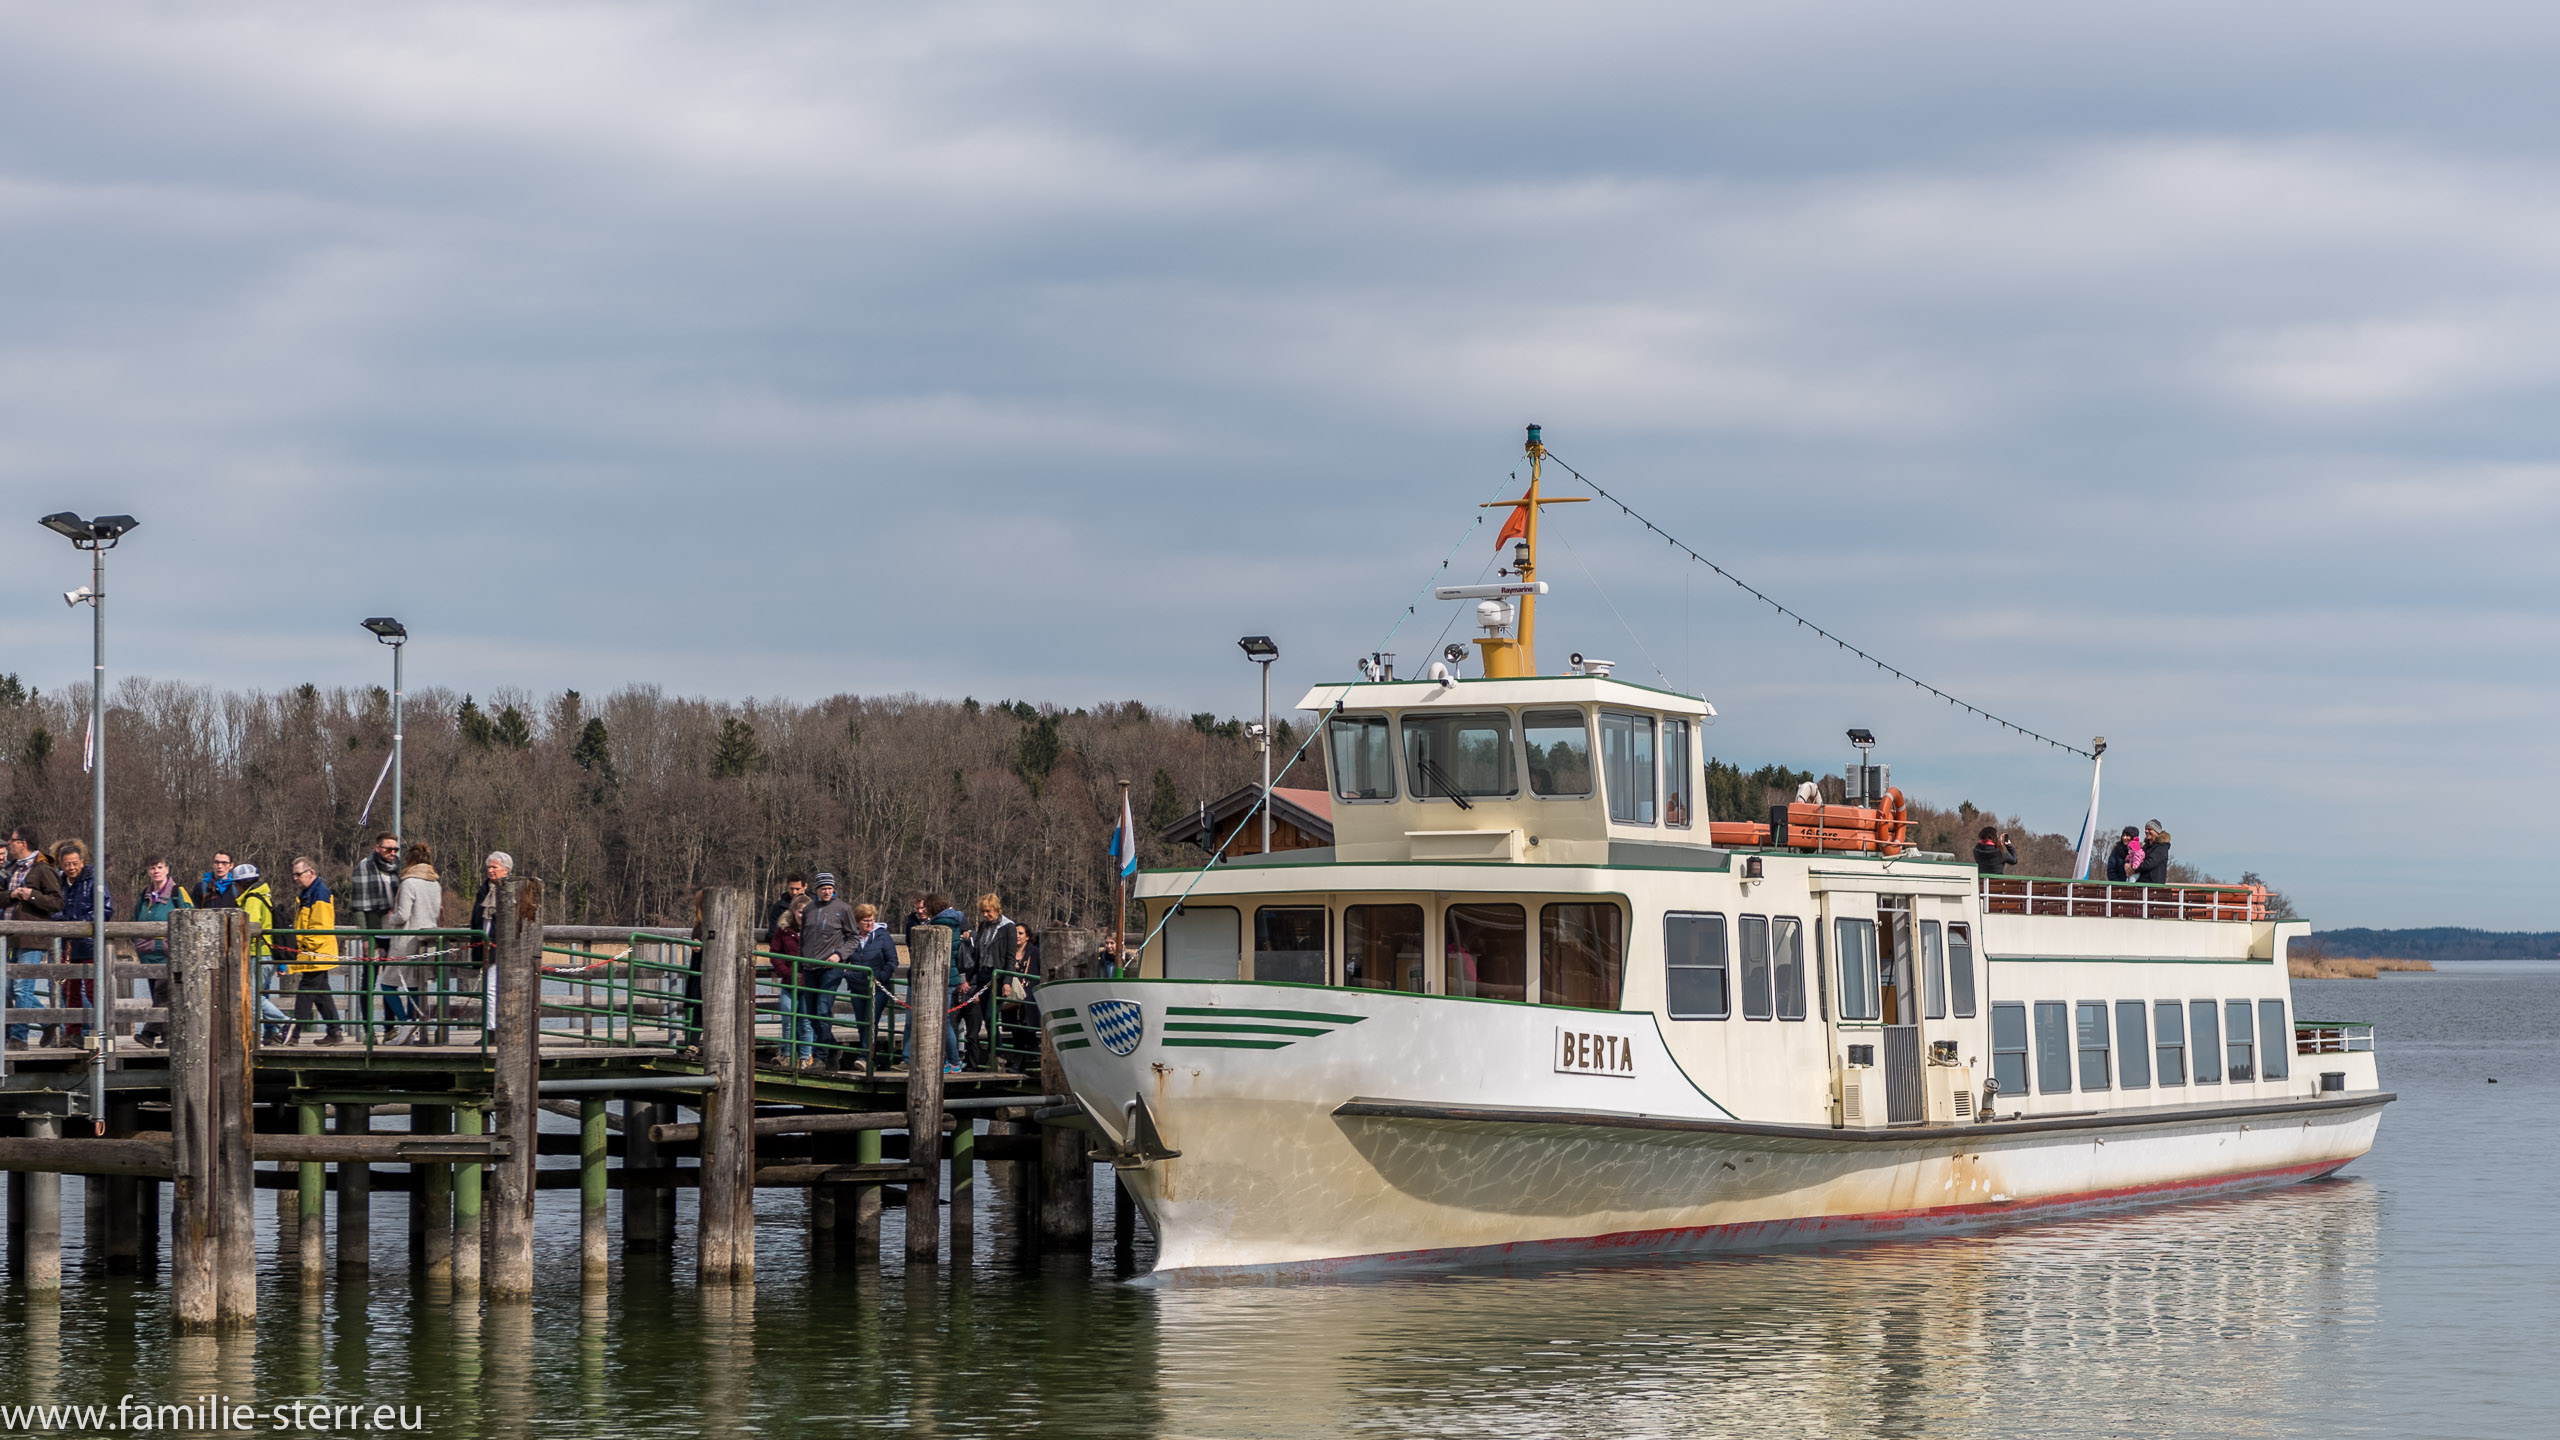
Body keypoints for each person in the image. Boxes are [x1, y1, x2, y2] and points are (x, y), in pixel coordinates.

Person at [4, 827, 63, 1048]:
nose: (10, 843)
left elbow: (57, 902)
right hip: (12, 937)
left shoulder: (43, 869)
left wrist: (32, 895)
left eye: (13, 840)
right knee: (10, 988)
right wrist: (11, 894)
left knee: (22, 988)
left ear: (24, 843)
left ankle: (19, 1037)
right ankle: (48, 1020)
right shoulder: (12, 869)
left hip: (33, 938)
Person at [794, 874, 858, 1069]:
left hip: (831, 968)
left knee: (823, 1010)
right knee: (811, 1013)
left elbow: (853, 938)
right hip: (810, 967)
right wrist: (800, 966)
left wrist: (840, 954)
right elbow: (803, 939)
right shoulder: (810, 910)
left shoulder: (843, 909)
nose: (827, 891)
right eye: (823, 888)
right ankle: (832, 1047)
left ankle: (820, 1057)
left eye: (830, 888)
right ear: (817, 889)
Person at [386, 841, 443, 1044]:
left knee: (387, 984)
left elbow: (403, 915)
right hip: (428, 940)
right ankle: (411, 1027)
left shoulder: (409, 882)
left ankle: (405, 1024)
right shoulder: (435, 883)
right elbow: (437, 912)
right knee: (415, 985)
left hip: (407, 940)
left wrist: (389, 918)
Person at [227, 863, 292, 1044]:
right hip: (267, 953)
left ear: (240, 884)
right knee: (257, 995)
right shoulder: (263, 895)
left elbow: (251, 926)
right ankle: (270, 1031)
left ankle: (266, 1031)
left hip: (258, 953)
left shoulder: (253, 900)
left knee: (251, 996)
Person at [281, 857, 343, 1044]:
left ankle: (292, 1033)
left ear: (311, 873)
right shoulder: (310, 893)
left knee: (306, 991)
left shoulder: (319, 894)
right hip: (315, 951)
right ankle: (334, 1031)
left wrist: (302, 946)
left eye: (298, 874)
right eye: (294, 874)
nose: (295, 878)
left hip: (317, 952)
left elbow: (319, 927)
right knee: (321, 992)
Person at [132, 856, 192, 1046]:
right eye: (152, 868)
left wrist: (175, 944)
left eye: (159, 867)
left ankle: (149, 1033)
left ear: (167, 870)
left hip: (168, 953)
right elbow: (134, 920)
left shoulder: (177, 892)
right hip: (147, 954)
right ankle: (168, 1038)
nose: (156, 871)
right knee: (159, 996)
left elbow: (190, 916)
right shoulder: (145, 894)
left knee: (164, 996)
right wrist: (138, 942)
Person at [347, 832, 403, 1037]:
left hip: (394, 931)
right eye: (388, 848)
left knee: (390, 981)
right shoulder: (364, 867)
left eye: (395, 849)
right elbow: (358, 907)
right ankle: (368, 1029)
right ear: (377, 848)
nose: (392, 852)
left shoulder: (398, 868)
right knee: (368, 981)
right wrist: (365, 937)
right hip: (374, 930)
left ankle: (390, 1027)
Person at [962, 893, 1016, 1071]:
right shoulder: (984, 926)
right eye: (983, 912)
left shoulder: (1008, 927)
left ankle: (998, 1055)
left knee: (991, 1017)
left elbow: (1009, 957)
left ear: (996, 909)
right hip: (982, 976)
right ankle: (990, 1056)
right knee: (983, 1018)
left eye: (988, 911)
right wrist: (969, 978)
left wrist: (1007, 981)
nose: (985, 915)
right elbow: (977, 955)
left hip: (997, 977)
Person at [848, 902, 899, 1068]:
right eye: (865, 920)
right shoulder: (851, 936)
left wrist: (880, 977)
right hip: (857, 986)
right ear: (857, 921)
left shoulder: (882, 936)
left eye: (871, 920)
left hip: (878, 987)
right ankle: (869, 1057)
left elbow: (892, 960)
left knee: (871, 1021)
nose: (869, 923)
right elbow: (845, 957)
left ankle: (865, 1057)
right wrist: (848, 974)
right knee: (861, 1022)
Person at [472, 852, 512, 1032]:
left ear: (505, 870)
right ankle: (492, 1028)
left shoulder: (509, 890)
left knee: (492, 990)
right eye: (488, 867)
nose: (490, 870)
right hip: (484, 945)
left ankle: (492, 1029)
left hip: (502, 947)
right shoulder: (484, 891)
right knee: (489, 989)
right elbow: (477, 919)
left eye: (494, 867)